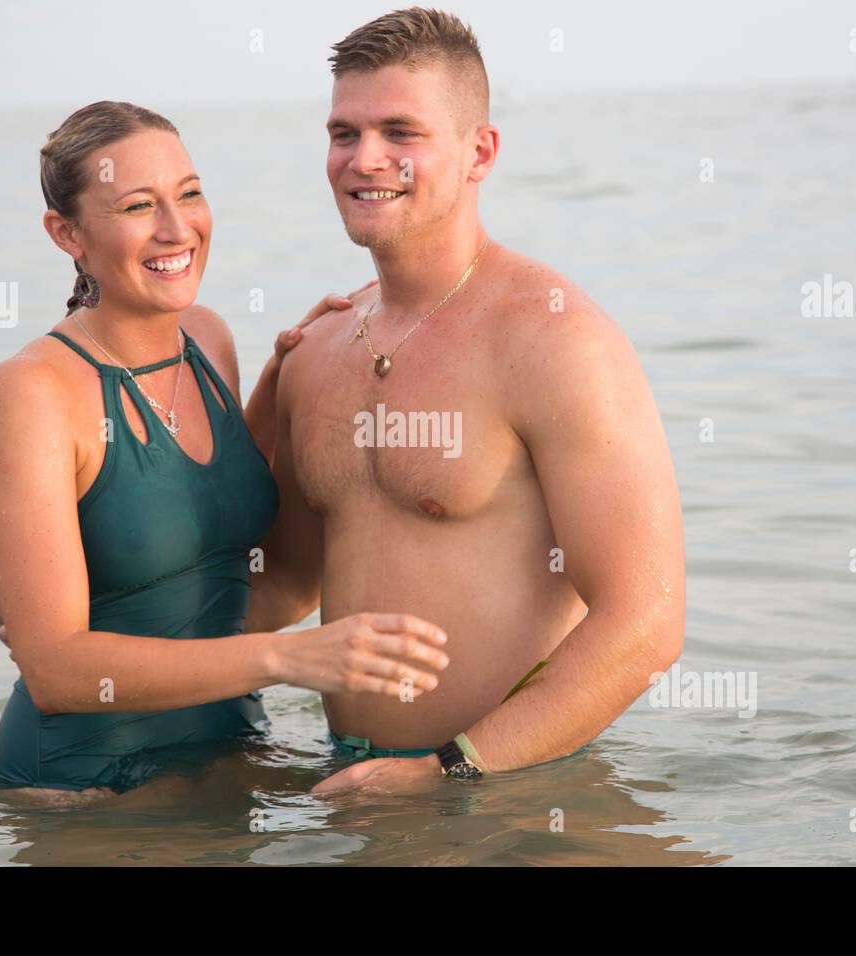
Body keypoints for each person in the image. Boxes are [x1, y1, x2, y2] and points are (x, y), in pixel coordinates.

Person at [257, 7, 687, 792]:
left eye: (400, 132)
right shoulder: (314, 352)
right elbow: (282, 583)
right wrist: (103, 639)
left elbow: (646, 622)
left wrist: (447, 772)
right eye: (344, 133)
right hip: (348, 790)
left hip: (510, 794)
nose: (365, 158)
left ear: (479, 151)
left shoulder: (554, 339)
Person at [0, 100, 448, 806]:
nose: (177, 228)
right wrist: (289, 658)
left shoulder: (209, 341)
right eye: (138, 206)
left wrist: (293, 379)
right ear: (67, 233)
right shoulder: (31, 392)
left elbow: (225, 544)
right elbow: (55, 671)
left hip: (231, 759)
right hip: (83, 794)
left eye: (189, 194)